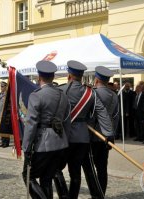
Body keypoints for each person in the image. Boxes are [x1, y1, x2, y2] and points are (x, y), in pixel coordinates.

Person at [60, 60, 113, 199]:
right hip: (83, 138)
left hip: (64, 137)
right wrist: (109, 134)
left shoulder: (62, 90)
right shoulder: (90, 92)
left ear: (69, 75)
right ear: (82, 75)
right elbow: (102, 113)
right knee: (75, 173)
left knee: (56, 169)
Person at [22, 60, 70, 199]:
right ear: (53, 77)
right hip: (60, 141)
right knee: (47, 178)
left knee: (28, 176)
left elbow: (31, 123)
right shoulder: (62, 95)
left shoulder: (36, 95)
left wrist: (26, 147)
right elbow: (67, 121)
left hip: (43, 143)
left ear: (39, 76)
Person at [82, 66, 119, 199]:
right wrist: (111, 135)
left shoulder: (92, 93)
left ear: (97, 79)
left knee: (91, 169)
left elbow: (87, 114)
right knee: (102, 169)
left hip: (92, 136)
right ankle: (101, 194)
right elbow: (115, 117)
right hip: (106, 137)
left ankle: (95, 195)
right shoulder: (114, 95)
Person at [0, 81, 10, 148]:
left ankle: (6, 142)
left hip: (4, 114)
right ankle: (2, 141)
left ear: (6, 87)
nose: (1, 88)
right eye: (1, 86)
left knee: (5, 128)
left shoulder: (7, 95)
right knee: (0, 128)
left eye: (2, 86)